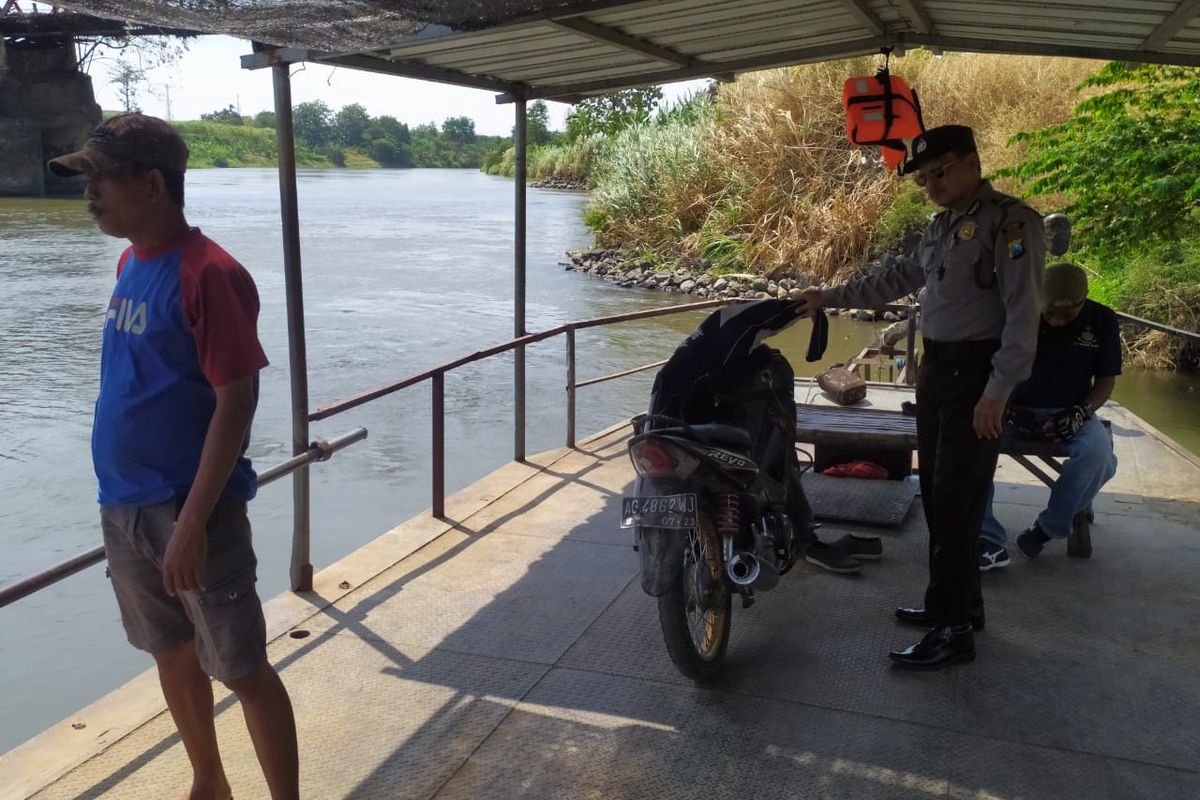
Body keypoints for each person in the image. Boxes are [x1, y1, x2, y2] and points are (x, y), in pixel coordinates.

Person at [48, 114, 299, 800]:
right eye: (88, 179)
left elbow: (236, 401)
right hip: (124, 503)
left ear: (152, 181)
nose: (89, 193)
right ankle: (209, 780)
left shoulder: (211, 273)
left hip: (191, 510)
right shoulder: (132, 262)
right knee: (169, 650)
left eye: (101, 177)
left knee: (242, 666)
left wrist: (191, 521)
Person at [798, 124, 1046, 669]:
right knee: (936, 494)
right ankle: (957, 607)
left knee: (957, 503)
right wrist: (829, 298)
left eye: (940, 171)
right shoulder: (941, 228)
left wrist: (998, 392)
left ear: (973, 163)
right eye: (924, 177)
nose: (931, 183)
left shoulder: (1009, 223)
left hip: (976, 378)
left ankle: (954, 631)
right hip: (938, 373)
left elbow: (1025, 318)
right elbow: (892, 280)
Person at [978, 263, 1120, 568]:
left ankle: (1047, 528)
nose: (1056, 322)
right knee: (971, 448)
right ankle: (988, 539)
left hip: (1070, 411)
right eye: (1049, 312)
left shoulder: (1103, 320)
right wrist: (1006, 407)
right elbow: (991, 366)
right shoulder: (1014, 311)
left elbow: (1106, 381)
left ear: (1083, 301)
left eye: (1067, 316)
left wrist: (1080, 413)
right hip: (1013, 408)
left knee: (1101, 459)